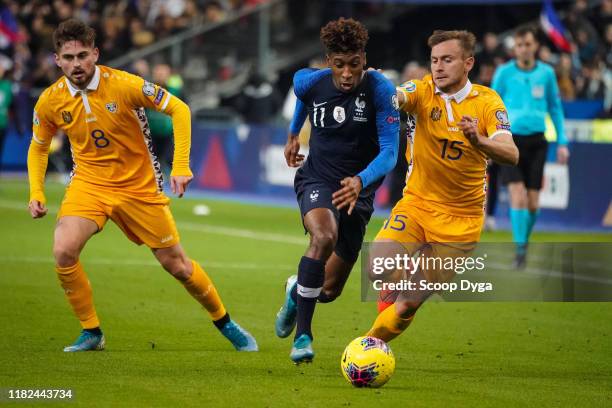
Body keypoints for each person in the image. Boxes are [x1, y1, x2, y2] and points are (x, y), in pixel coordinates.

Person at [27, 19, 257, 352]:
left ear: (95, 54)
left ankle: (224, 321)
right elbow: (38, 146)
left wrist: (180, 165)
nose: (76, 64)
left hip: (139, 187)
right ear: (57, 59)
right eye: (68, 57)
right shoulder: (50, 101)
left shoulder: (123, 85)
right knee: (63, 250)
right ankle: (91, 331)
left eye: (82, 56)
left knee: (176, 265)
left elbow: (179, 108)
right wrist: (36, 191)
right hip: (89, 184)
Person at [366, 30, 518, 343]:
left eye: (447, 59)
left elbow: (511, 153)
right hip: (417, 204)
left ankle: (369, 344)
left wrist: (480, 140)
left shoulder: (488, 103)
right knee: (378, 269)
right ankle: (392, 290)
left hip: (460, 223)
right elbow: (398, 96)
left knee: (407, 305)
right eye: (434, 60)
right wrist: (378, 87)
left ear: (468, 63)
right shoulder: (422, 91)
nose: (438, 67)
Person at [274, 17, 400, 364]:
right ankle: (303, 336)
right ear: (328, 61)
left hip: (358, 194)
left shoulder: (380, 89)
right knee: (323, 237)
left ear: (364, 58)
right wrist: (294, 133)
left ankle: (294, 292)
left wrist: (360, 180)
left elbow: (390, 152)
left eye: (355, 64)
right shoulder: (310, 79)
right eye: (340, 65)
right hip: (318, 179)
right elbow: (304, 95)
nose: (347, 74)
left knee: (328, 291)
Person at [492, 26, 569, 268]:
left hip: (537, 141)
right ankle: (520, 251)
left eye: (527, 44)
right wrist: (489, 140)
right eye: (519, 45)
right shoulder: (504, 73)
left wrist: (562, 142)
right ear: (514, 48)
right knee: (518, 195)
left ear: (535, 46)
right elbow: (489, 105)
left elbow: (555, 109)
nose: (523, 48)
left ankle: (523, 242)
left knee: (534, 201)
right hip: (510, 141)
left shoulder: (546, 74)